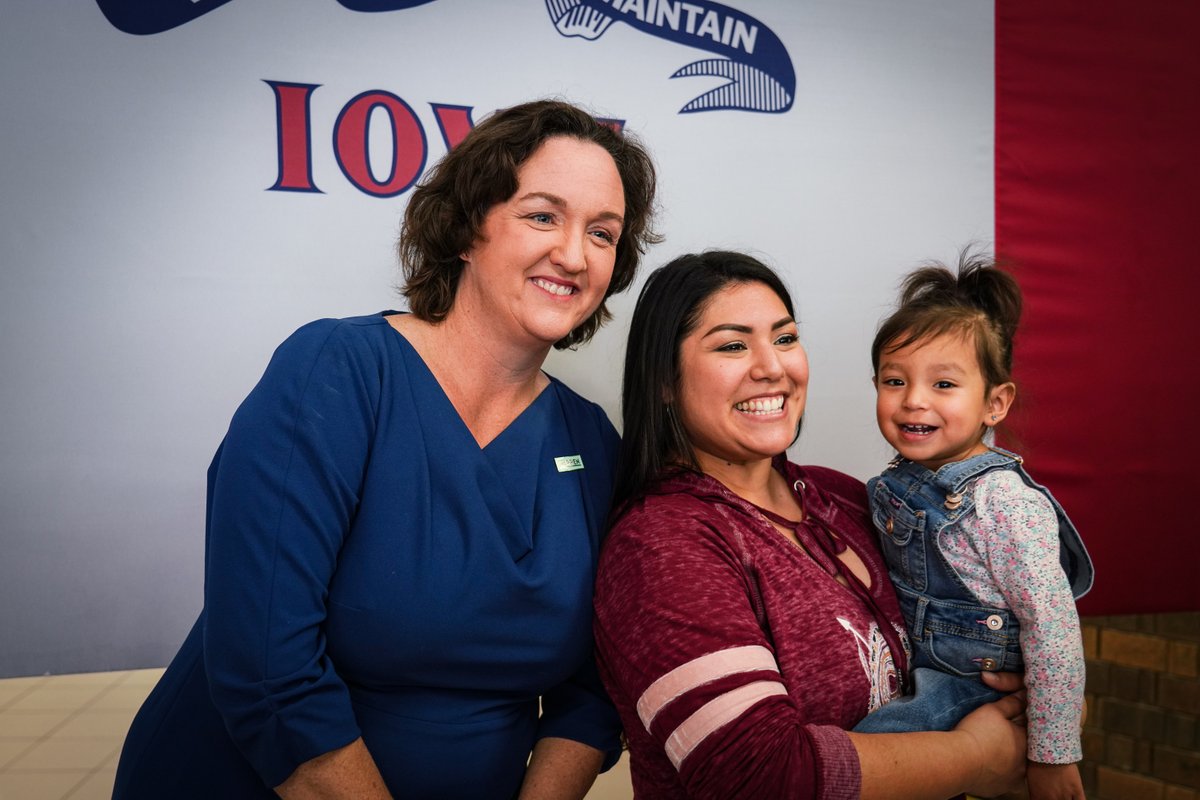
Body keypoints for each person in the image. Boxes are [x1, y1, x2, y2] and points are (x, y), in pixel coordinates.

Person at [113, 99, 660, 799]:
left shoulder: (592, 444)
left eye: (603, 233)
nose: (574, 254)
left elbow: (594, 690)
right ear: (469, 228)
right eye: (542, 216)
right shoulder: (337, 373)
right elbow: (267, 672)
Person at [593, 250, 1029, 800]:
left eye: (784, 338)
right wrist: (976, 757)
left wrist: (1019, 693)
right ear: (662, 380)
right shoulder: (661, 545)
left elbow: (960, 640)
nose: (772, 367)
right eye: (732, 345)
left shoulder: (848, 499)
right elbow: (757, 776)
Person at [851, 254, 1094, 800]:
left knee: (866, 753)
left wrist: (1052, 753)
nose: (914, 399)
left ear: (994, 403)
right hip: (923, 671)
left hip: (972, 684)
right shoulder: (899, 483)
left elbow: (1052, 626)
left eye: (943, 384)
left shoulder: (1003, 500)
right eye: (895, 379)